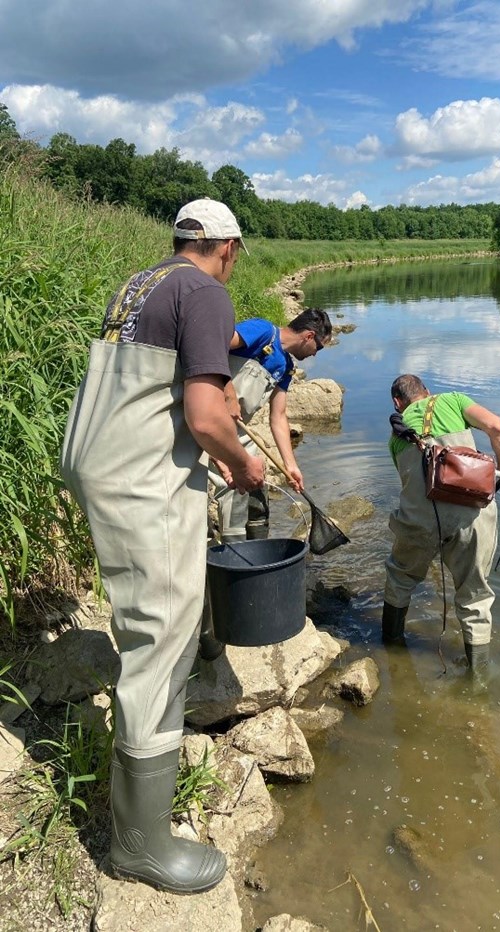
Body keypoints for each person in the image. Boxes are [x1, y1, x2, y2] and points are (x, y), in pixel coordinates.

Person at [60, 198, 265, 895]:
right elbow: (206, 417)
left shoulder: (140, 282)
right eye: (236, 254)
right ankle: (139, 846)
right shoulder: (206, 290)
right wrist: (243, 464)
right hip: (140, 478)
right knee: (162, 634)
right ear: (227, 247)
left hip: (99, 457)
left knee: (146, 613)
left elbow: (153, 386)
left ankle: (138, 816)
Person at [383, 374, 500, 683]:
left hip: (418, 520)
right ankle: (479, 681)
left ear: (397, 404)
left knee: (400, 578)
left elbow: (412, 483)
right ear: (428, 392)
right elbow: (496, 426)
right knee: (474, 595)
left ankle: (391, 651)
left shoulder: (394, 440)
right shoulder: (453, 401)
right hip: (471, 515)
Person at [213, 307, 333, 543]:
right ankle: (226, 554)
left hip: (238, 431)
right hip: (207, 420)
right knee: (225, 494)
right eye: (318, 347)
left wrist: (291, 466)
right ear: (309, 336)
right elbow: (213, 345)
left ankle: (247, 549)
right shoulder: (262, 331)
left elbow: (278, 416)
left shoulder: (286, 367)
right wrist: (227, 391)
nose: (316, 354)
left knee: (250, 491)